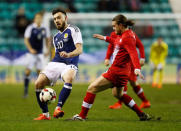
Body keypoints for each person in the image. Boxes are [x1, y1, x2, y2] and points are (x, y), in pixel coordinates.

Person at [69, 14, 152, 121]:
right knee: (119, 94)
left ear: (121, 25)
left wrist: (137, 68)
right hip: (123, 72)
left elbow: (133, 53)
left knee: (91, 88)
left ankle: (82, 116)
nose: (113, 28)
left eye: (114, 26)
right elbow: (117, 42)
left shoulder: (128, 38)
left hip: (116, 71)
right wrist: (105, 38)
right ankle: (141, 114)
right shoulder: (127, 34)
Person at [34, 8, 83, 120]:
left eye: (59, 17)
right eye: (55, 18)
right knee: (38, 83)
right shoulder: (55, 37)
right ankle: (45, 114)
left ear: (65, 18)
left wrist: (69, 54)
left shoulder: (73, 30)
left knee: (69, 78)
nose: (56, 20)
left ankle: (58, 108)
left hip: (70, 62)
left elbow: (79, 50)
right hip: (56, 62)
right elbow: (57, 54)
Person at [105, 31, 151, 109]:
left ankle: (121, 103)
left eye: (115, 25)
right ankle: (145, 102)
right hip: (120, 63)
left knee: (128, 82)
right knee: (130, 83)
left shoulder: (130, 35)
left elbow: (140, 45)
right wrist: (107, 58)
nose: (114, 27)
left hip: (129, 63)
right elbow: (111, 46)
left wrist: (142, 58)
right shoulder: (113, 34)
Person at [23, 12, 51, 98]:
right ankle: (26, 91)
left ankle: (42, 92)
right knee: (28, 71)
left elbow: (48, 39)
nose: (39, 19)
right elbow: (26, 39)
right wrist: (30, 49)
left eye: (40, 18)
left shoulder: (44, 28)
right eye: (37, 18)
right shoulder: (30, 28)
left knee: (40, 73)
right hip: (31, 53)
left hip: (40, 53)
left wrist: (47, 50)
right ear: (34, 19)